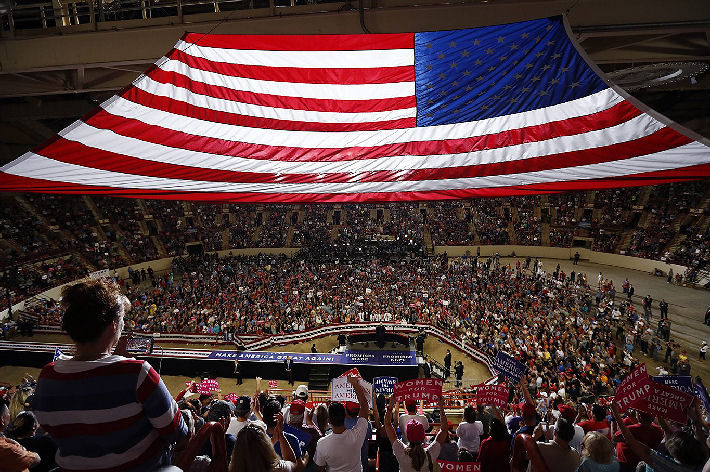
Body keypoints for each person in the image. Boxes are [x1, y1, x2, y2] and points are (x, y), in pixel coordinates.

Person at [32, 278, 187, 472]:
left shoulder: (47, 377)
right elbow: (177, 432)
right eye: (122, 320)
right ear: (114, 325)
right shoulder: (137, 373)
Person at [610, 402, 708, 472]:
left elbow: (632, 442)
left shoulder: (667, 465)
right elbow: (701, 440)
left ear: (674, 454)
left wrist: (615, 415)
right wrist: (694, 419)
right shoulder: (703, 460)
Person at [313, 376, 370, 472]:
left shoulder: (322, 443)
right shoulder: (356, 436)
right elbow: (364, 406)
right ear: (345, 416)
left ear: (329, 421)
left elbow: (320, 468)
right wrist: (354, 384)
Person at [384, 395, 449, 472]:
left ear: (407, 435)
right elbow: (444, 430)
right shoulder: (430, 453)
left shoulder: (401, 451)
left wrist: (391, 403)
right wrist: (441, 406)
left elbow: (387, 424)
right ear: (422, 436)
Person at [229, 415, 309, 472]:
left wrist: (273, 440)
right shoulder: (277, 468)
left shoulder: (231, 467)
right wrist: (281, 435)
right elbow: (292, 464)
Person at [0, 403, 41, 472]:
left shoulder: (6, 441)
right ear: (2, 420)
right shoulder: (6, 447)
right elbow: (36, 459)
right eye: (8, 413)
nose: (10, 415)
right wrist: (22, 448)